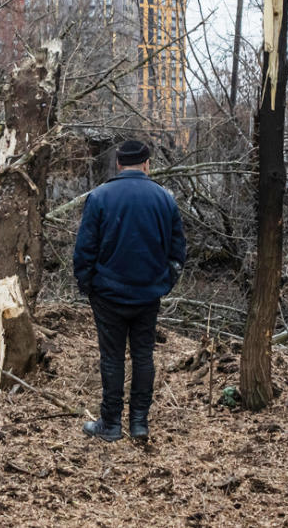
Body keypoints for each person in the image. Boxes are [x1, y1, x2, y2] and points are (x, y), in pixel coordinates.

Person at [73, 139, 186, 442]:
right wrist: (164, 283)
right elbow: (178, 253)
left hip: (108, 293)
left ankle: (110, 424)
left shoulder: (99, 197)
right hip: (148, 293)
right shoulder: (165, 199)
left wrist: (88, 286)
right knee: (143, 356)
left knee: (112, 358)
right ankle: (139, 423)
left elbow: (84, 250)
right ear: (147, 164)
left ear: (119, 164)